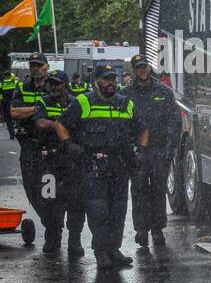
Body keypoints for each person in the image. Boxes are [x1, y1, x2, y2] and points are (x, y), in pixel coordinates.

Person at [49, 64, 149, 271]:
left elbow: (143, 129)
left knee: (118, 210)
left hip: (119, 165)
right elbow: (60, 124)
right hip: (93, 165)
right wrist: (69, 145)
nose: (110, 83)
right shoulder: (84, 102)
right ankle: (101, 252)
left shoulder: (125, 104)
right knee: (98, 210)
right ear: (96, 81)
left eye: (113, 78)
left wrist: (141, 150)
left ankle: (114, 250)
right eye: (106, 79)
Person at [121, 54, 181, 249]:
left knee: (158, 190)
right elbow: (121, 123)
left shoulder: (163, 91)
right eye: (138, 67)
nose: (143, 70)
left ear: (149, 67)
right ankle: (141, 230)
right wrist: (129, 148)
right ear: (134, 69)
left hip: (158, 149)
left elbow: (174, 121)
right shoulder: (126, 93)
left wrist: (169, 149)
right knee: (138, 190)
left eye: (145, 66)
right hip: (137, 149)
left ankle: (157, 229)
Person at [31, 71, 85, 256]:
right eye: (51, 84)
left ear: (65, 84)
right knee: (49, 202)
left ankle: (75, 240)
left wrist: (57, 124)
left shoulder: (76, 101)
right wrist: (60, 124)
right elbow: (40, 123)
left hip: (72, 160)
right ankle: (52, 237)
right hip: (49, 161)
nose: (54, 87)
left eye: (58, 84)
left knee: (76, 202)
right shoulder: (43, 102)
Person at [8, 54, 53, 240]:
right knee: (31, 186)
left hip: (50, 145)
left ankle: (52, 223)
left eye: (39, 65)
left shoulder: (54, 86)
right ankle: (47, 219)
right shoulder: (22, 87)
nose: (36, 69)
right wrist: (38, 108)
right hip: (28, 144)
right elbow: (14, 112)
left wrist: (29, 110)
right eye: (33, 65)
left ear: (46, 67)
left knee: (49, 188)